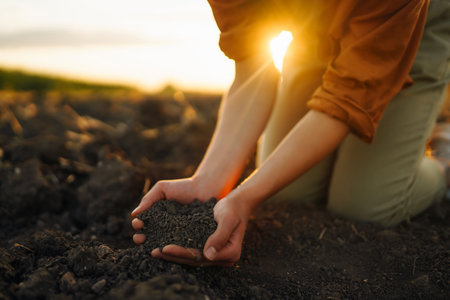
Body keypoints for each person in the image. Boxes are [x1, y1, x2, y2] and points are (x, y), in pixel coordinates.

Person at [131, 0, 450, 267]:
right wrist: (210, 183)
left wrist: (247, 197)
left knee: (365, 206)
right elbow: (253, 69)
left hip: (406, 30)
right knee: (287, 190)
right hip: (314, 30)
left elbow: (346, 101)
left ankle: (443, 159)